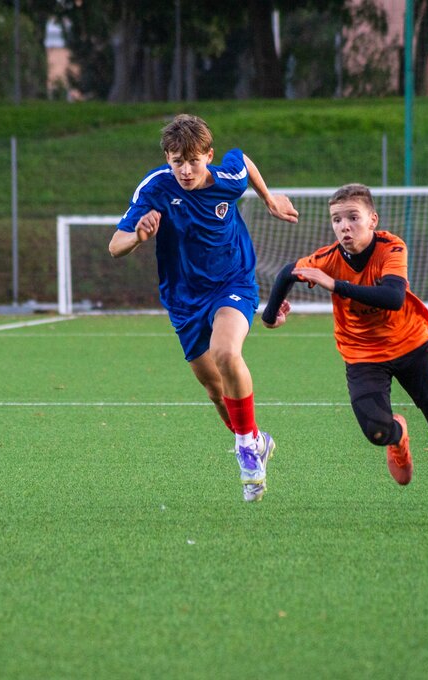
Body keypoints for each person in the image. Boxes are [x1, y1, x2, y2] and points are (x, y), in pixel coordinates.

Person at [261, 182, 428, 527]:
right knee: (377, 432)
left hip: (412, 346)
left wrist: (335, 284)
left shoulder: (391, 247)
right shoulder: (327, 259)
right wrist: (270, 315)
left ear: (372, 220)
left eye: (353, 217)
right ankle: (398, 437)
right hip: (362, 354)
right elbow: (288, 271)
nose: (344, 226)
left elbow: (393, 297)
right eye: (337, 220)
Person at [109, 114, 299, 502]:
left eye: (194, 161)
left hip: (233, 282)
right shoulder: (155, 188)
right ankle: (256, 440)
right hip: (183, 299)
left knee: (225, 352)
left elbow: (243, 159)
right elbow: (115, 246)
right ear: (167, 158)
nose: (185, 170)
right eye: (177, 161)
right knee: (215, 391)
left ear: (208, 156)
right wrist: (139, 236)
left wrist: (269, 199)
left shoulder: (227, 179)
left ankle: (247, 454)